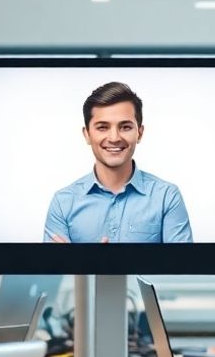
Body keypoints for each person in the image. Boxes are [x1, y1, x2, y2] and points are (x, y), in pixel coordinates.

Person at [44, 82, 192, 244]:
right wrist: (86, 270)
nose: (114, 138)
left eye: (125, 127)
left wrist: (87, 266)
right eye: (102, 127)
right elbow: (54, 268)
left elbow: (183, 268)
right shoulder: (63, 202)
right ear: (87, 134)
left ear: (140, 133)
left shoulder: (167, 197)